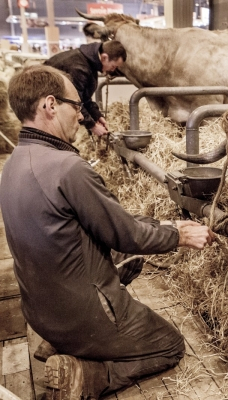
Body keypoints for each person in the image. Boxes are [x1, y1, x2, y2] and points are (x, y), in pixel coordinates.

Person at [0, 65, 216, 400]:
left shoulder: (13, 163)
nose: (81, 116)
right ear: (51, 105)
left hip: (39, 313)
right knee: (170, 345)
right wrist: (180, 236)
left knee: (127, 256)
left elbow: (115, 227)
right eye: (77, 106)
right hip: (80, 318)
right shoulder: (68, 169)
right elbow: (127, 235)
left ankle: (62, 340)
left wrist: (162, 226)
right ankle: (88, 374)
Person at [44, 40, 126, 137]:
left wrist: (97, 116)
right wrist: (93, 126)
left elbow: (84, 98)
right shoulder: (79, 67)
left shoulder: (88, 61)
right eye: (113, 66)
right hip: (45, 114)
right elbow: (74, 101)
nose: (113, 70)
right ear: (104, 57)